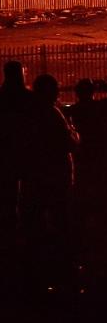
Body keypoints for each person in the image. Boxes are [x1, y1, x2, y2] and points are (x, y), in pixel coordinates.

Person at [20, 74, 79, 283]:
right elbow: (68, 142)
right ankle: (62, 262)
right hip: (55, 173)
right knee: (60, 217)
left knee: (35, 218)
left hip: (35, 173)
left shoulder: (27, 114)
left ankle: (36, 261)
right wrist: (73, 133)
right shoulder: (53, 114)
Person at [67, 79, 107, 226]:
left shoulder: (74, 110)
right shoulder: (100, 108)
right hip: (100, 151)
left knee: (83, 185)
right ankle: (103, 217)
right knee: (102, 185)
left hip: (83, 151)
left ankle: (83, 218)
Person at [0, 61, 35, 252]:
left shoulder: (2, 97)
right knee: (28, 193)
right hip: (25, 153)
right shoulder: (28, 98)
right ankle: (25, 230)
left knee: (8, 194)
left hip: (7, 154)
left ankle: (10, 231)